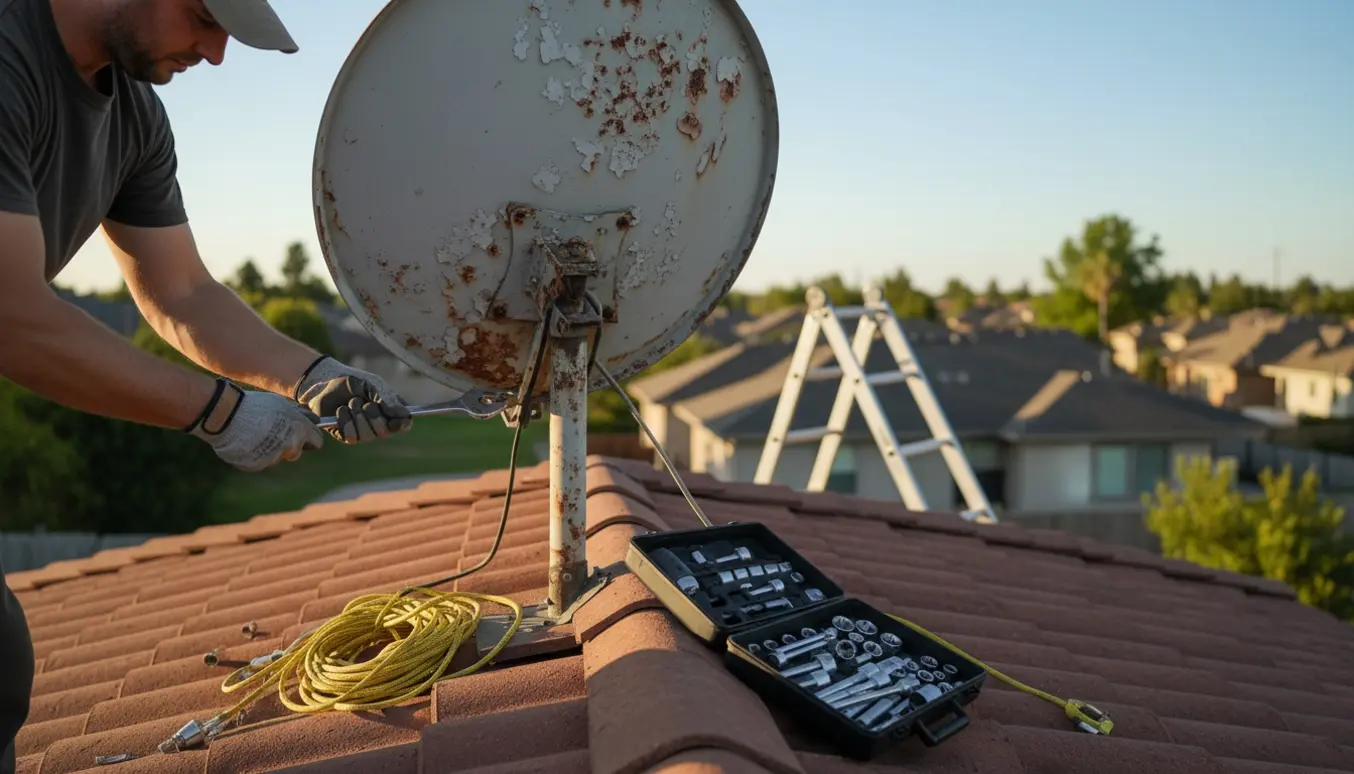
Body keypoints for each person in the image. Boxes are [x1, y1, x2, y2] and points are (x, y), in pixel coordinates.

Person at [0, 1, 414, 769]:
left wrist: (311, 376)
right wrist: (220, 413)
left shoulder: (134, 118)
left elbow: (181, 292)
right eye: (203, 17)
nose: (216, 54)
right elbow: (11, 314)